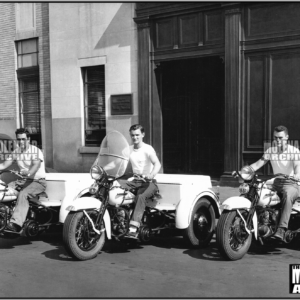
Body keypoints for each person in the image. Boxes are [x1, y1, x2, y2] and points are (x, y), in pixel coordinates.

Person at [249, 125, 300, 241]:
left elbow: (298, 167)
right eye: (275, 137)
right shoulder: (270, 150)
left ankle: (282, 229)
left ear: (287, 137)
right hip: (276, 182)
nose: (277, 140)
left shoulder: (294, 151)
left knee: (287, 196)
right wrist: (244, 171)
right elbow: (257, 165)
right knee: (257, 189)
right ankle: (257, 221)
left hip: (292, 183)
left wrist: (297, 175)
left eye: (280, 138)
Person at [0, 128, 47, 232]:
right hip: (23, 181)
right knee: (4, 190)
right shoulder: (16, 152)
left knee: (23, 194)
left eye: (23, 139)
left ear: (28, 139)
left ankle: (16, 223)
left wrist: (29, 173)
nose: (21, 142)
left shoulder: (35, 151)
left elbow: (35, 165)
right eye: (18, 139)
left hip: (38, 182)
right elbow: (4, 164)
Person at [119, 124, 161, 238]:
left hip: (149, 182)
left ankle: (133, 228)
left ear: (143, 134)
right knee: (114, 186)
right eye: (132, 135)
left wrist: (151, 175)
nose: (135, 137)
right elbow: (119, 163)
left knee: (140, 196)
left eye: (137, 135)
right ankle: (118, 218)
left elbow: (157, 164)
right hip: (134, 180)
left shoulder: (148, 149)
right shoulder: (128, 149)